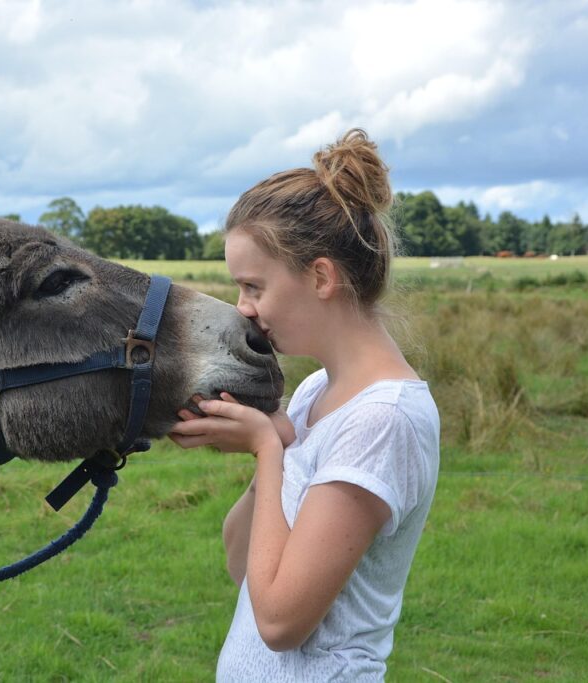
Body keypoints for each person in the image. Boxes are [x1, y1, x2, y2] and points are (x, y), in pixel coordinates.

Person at [169, 129, 440, 682]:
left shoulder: (383, 419)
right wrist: (276, 446)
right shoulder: (318, 389)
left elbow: (280, 622)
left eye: (253, 286)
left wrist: (268, 449)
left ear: (320, 277)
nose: (243, 310)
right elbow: (241, 565)